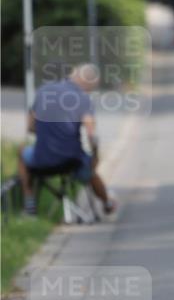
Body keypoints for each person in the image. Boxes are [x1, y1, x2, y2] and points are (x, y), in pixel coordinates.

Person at [18, 64, 116, 217]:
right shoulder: (83, 99)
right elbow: (91, 136)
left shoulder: (44, 91)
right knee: (89, 171)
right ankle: (107, 203)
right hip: (71, 162)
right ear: (88, 84)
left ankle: (29, 201)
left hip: (40, 160)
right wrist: (95, 156)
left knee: (22, 152)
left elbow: (30, 127)